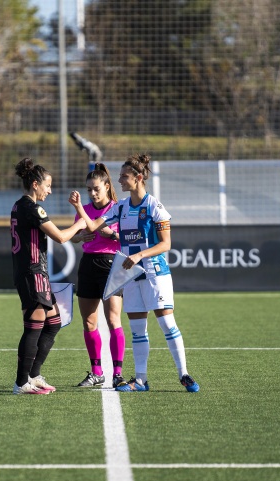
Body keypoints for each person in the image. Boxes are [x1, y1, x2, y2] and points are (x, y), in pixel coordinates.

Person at [68, 153, 199, 393]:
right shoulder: (122, 207)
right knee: (138, 329)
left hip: (154, 272)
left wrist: (139, 255)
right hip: (130, 276)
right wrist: (78, 207)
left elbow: (166, 244)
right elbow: (95, 225)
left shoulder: (154, 206)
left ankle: (184, 374)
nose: (119, 180)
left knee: (167, 323)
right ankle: (140, 380)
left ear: (138, 178)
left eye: (124, 176)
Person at [11, 157, 86, 395]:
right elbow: (61, 237)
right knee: (34, 326)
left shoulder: (19, 205)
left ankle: (33, 375)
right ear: (35, 184)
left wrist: (77, 234)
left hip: (36, 273)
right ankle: (22, 382)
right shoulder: (32, 208)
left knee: (53, 322)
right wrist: (81, 222)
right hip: (31, 272)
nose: (50, 190)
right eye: (48, 185)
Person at [70, 163, 126, 389]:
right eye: (89, 190)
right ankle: (96, 372)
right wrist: (80, 237)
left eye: (96, 189)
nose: (92, 194)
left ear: (106, 186)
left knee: (113, 320)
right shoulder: (84, 209)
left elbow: (127, 239)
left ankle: (118, 373)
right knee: (89, 321)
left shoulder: (118, 208)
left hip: (111, 265)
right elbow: (74, 235)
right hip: (88, 264)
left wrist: (112, 234)